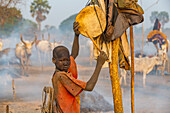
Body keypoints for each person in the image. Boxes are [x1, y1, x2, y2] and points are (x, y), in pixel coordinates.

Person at [51, 22, 108, 113]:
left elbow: (74, 54)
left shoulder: (62, 70)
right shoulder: (62, 76)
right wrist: (99, 64)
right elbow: (89, 87)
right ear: (54, 60)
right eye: (62, 60)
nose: (66, 63)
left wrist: (76, 36)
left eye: (67, 60)